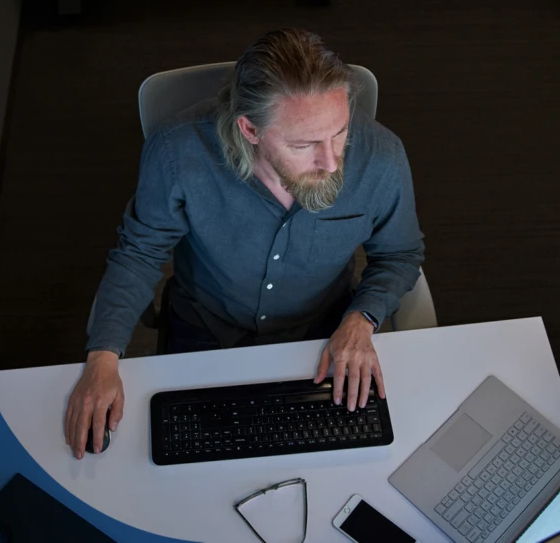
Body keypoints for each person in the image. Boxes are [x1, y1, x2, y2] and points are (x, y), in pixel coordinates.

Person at [64, 28, 425, 459]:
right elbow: (140, 252)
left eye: (340, 132)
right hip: (206, 324)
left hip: (324, 331)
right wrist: (102, 357)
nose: (331, 162)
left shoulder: (382, 156)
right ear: (250, 129)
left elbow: (400, 254)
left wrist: (361, 318)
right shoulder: (177, 152)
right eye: (303, 144)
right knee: (183, 460)